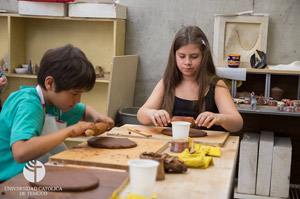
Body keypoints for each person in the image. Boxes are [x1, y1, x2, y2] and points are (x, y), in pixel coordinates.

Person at [0, 44, 114, 181]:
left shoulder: (55, 103)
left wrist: (99, 117)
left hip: (33, 174)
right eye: (74, 93)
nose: (78, 100)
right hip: (8, 180)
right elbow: (20, 152)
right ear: (50, 83)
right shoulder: (28, 104)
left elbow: (85, 111)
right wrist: (69, 131)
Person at [137, 26, 243, 132]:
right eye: (182, 56)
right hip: (172, 145)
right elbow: (141, 115)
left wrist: (219, 118)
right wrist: (152, 113)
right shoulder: (167, 82)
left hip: (207, 147)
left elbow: (237, 123)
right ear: (174, 56)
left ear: (204, 56)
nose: (187, 62)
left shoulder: (216, 85)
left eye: (194, 56)